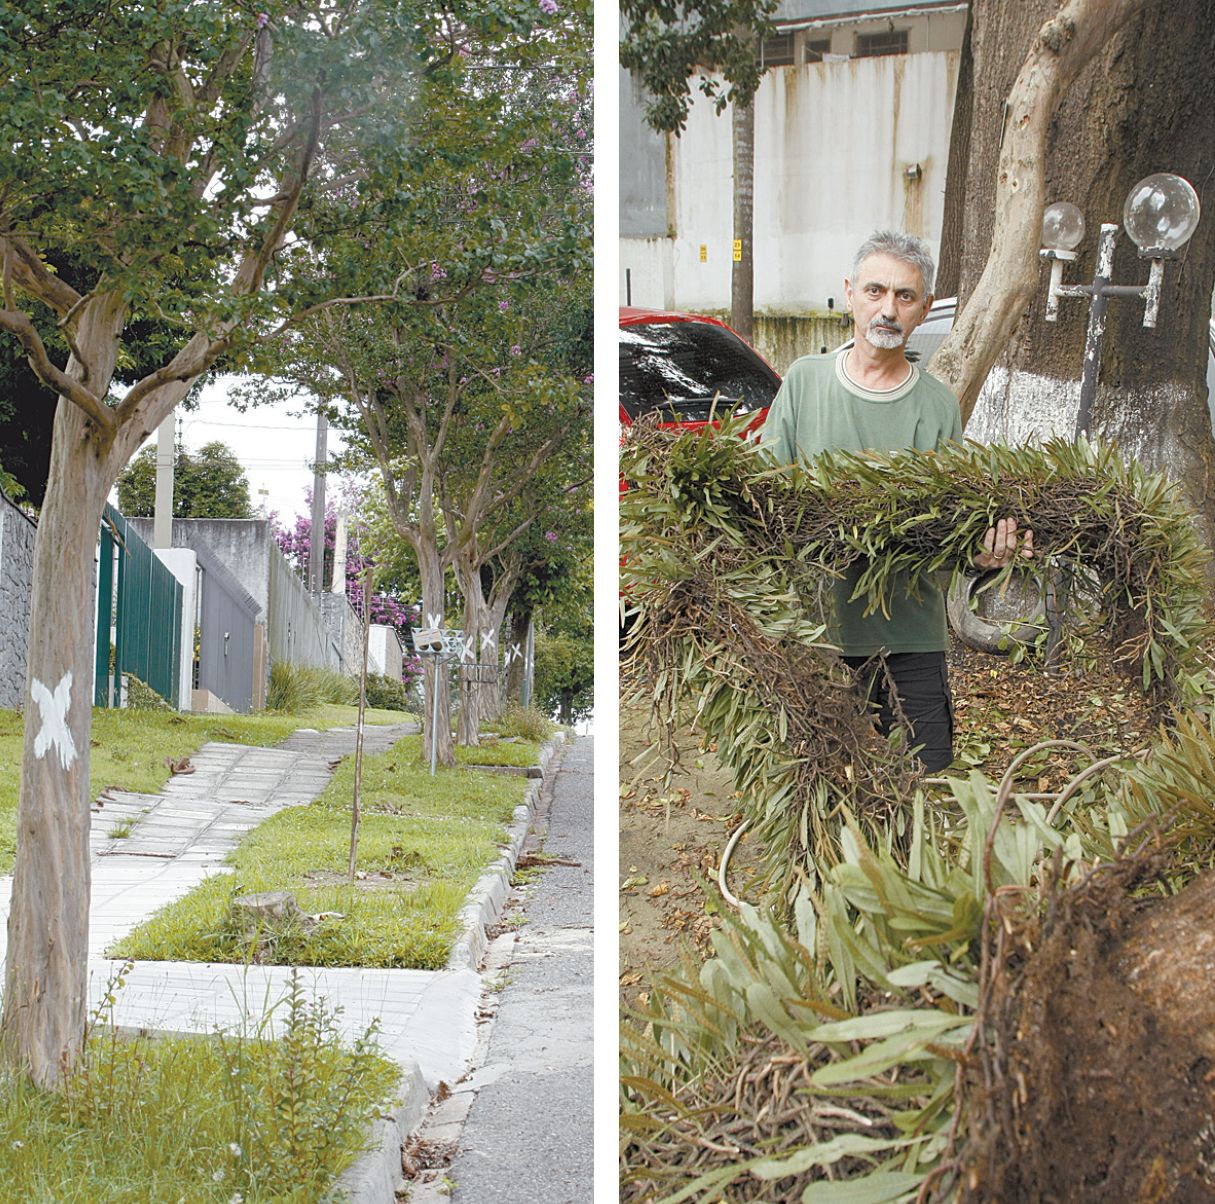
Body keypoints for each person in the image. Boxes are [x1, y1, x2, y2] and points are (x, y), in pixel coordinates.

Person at [760, 230, 1031, 773]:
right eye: (875, 291)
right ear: (850, 294)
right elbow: (762, 503)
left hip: (909, 638)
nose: (888, 309)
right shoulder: (804, 383)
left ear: (925, 309)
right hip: (817, 636)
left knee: (920, 785)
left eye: (905, 297)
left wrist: (982, 556)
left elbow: (949, 532)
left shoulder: (937, 406)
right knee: (826, 791)